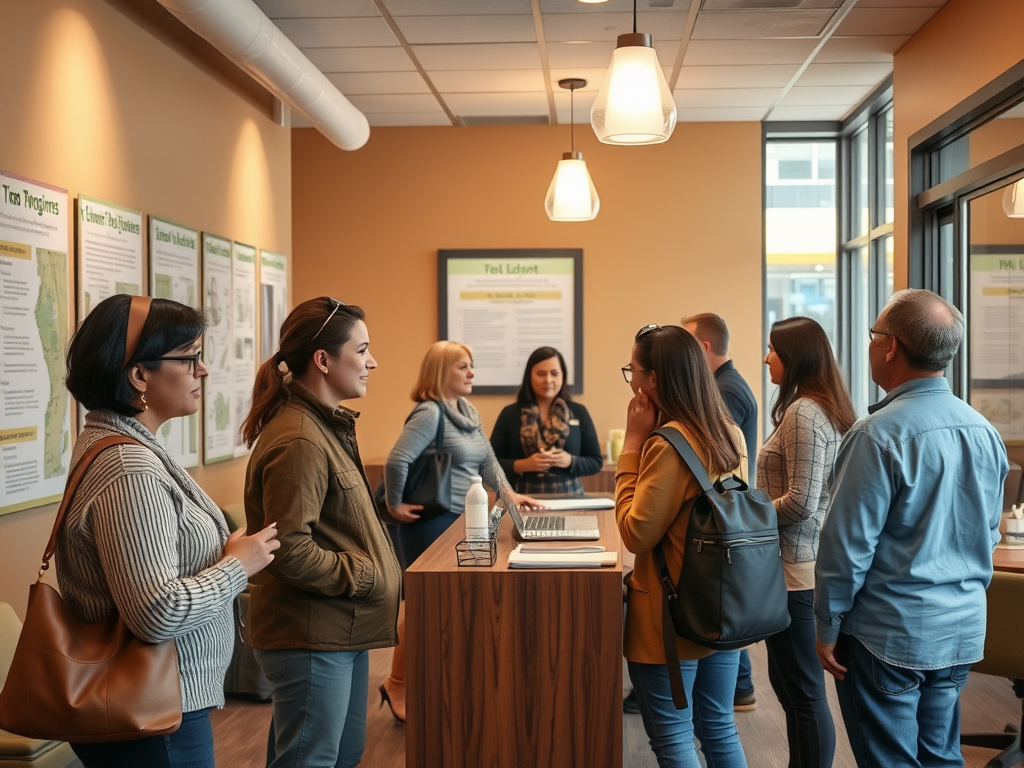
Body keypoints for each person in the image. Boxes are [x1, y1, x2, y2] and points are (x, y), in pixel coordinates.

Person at [57, 294, 280, 768]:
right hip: (154, 712)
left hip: (162, 703)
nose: (202, 371)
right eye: (189, 358)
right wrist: (237, 566)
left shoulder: (124, 443)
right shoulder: (128, 465)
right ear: (139, 375)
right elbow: (156, 613)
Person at [815, 289, 1009, 768]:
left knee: (890, 760)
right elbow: (989, 533)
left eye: (872, 335)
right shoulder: (984, 431)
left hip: (888, 634)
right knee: (942, 756)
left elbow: (845, 549)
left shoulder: (877, 435)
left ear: (890, 347)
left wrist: (826, 625)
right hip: (960, 630)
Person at [241, 297, 401, 768]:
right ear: (323, 360)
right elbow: (288, 549)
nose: (372, 361)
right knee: (310, 760)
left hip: (337, 630)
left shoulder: (325, 427)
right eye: (363, 349)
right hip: (310, 633)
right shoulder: (301, 439)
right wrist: (366, 575)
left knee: (341, 755)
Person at [380, 340, 537, 723]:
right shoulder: (429, 413)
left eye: (471, 366)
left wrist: (512, 496)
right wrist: (394, 505)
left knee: (441, 603)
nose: (471, 373)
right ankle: (397, 681)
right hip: (429, 519)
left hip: (460, 518)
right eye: (463, 367)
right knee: (422, 604)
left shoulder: (466, 411)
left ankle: (430, 682)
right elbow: (398, 459)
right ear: (441, 372)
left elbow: (487, 462)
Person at [616, 324, 749, 768]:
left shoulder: (667, 443)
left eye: (632, 371)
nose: (631, 381)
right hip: (723, 604)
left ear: (653, 380)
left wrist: (633, 442)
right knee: (718, 726)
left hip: (671, 617)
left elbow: (636, 532)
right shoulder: (729, 431)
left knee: (673, 737)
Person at [759, 317, 855, 768]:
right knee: (795, 691)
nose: (766, 358)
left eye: (773, 350)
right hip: (796, 567)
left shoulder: (805, 412)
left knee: (803, 694)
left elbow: (800, 503)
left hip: (796, 571)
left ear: (795, 356)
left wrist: (746, 516)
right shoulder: (815, 408)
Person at [682, 312, 760, 713]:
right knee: (722, 606)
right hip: (724, 511)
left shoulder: (724, 391)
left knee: (721, 607)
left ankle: (740, 687)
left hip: (720, 514)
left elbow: (710, 458)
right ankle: (738, 686)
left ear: (704, 347)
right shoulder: (723, 385)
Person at [490, 346, 603, 494]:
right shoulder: (510, 413)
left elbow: (595, 462)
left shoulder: (578, 412)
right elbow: (490, 463)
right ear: (529, 376)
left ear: (563, 376)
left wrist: (570, 461)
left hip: (571, 497)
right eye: (541, 374)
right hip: (521, 496)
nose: (548, 380)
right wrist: (522, 465)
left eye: (554, 373)